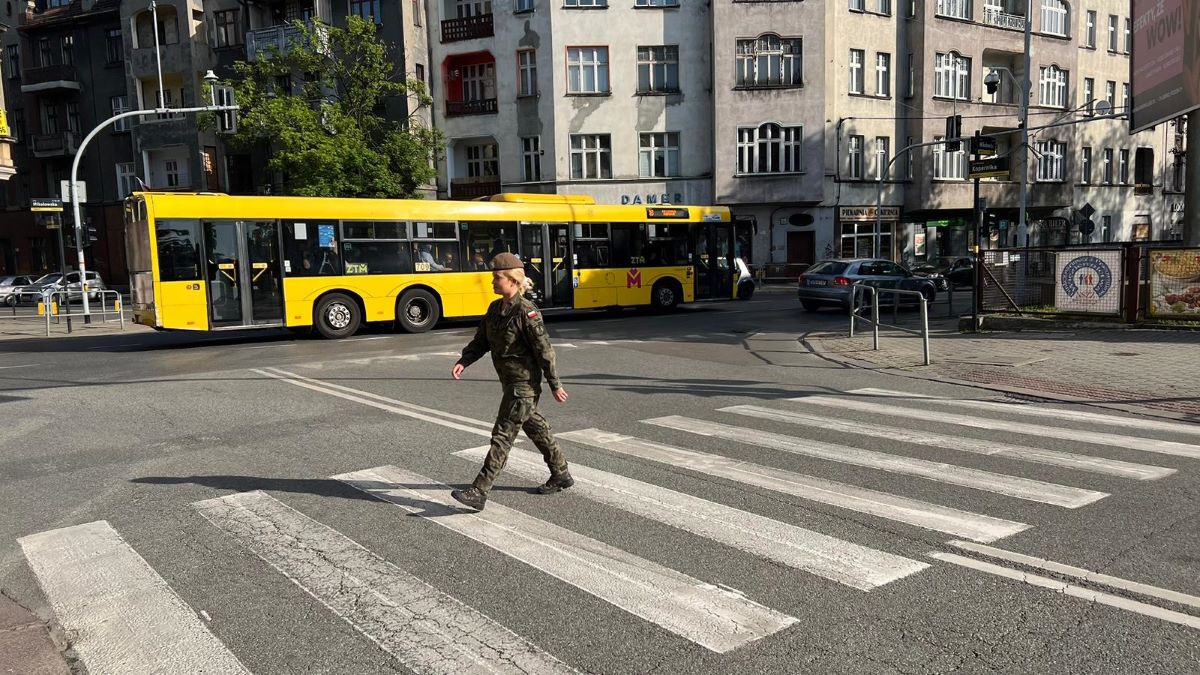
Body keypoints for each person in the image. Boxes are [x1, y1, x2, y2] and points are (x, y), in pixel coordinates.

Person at [450, 252, 572, 511]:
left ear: (513, 281)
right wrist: (465, 360)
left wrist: (555, 384)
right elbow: (481, 340)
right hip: (510, 384)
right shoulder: (495, 309)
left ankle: (479, 491)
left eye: (497, 278)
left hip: (523, 386)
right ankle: (561, 473)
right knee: (537, 429)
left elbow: (545, 351)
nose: (492, 282)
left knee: (502, 436)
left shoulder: (527, 312)